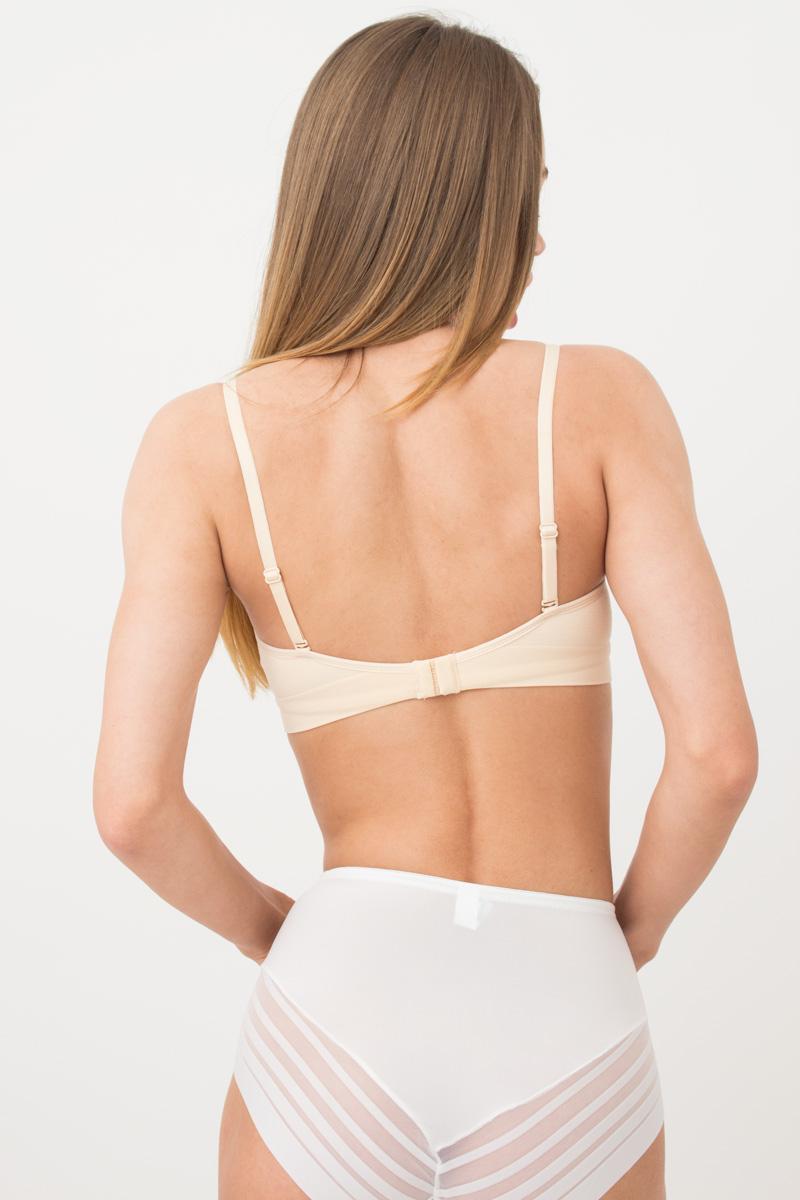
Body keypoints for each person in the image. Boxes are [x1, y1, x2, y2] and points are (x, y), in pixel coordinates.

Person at [93, 15, 758, 1200]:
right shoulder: (598, 401)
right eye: (525, 194)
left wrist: (268, 929)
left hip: (337, 1000)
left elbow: (133, 806)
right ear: (466, 202)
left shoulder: (201, 443)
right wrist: (628, 935)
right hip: (566, 999)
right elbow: (715, 756)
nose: (538, 237)